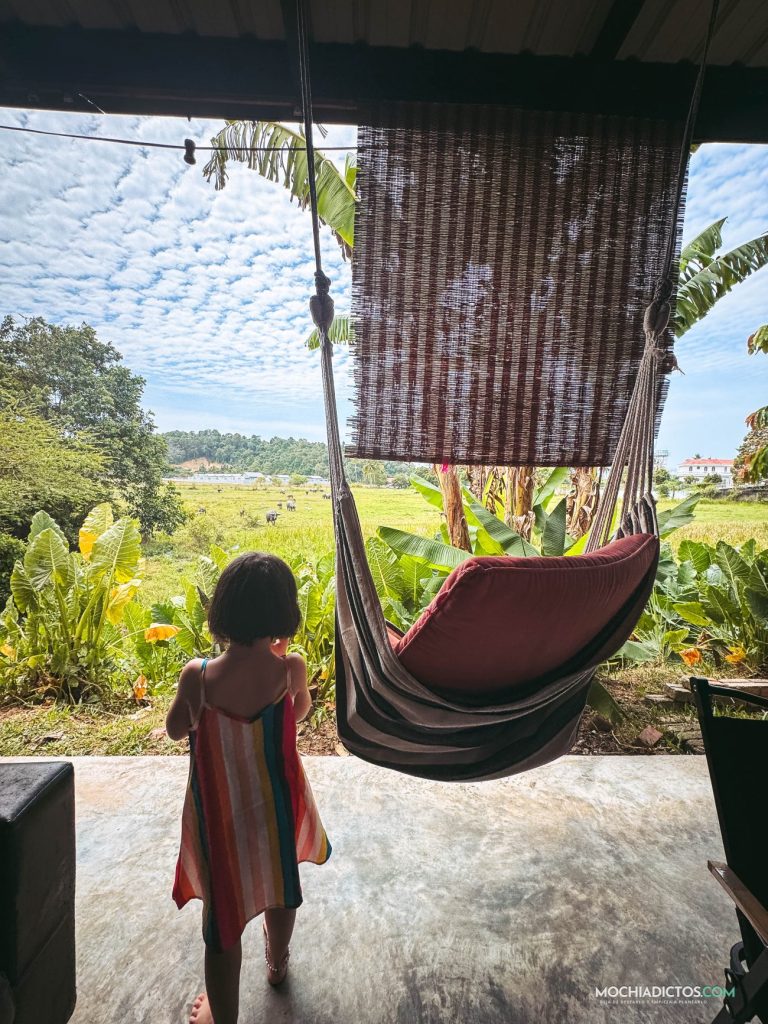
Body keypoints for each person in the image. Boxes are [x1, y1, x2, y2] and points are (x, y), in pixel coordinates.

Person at [166, 552, 332, 1024]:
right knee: (279, 887)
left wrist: (190, 705)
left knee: (222, 918)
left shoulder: (197, 676)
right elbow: (298, 714)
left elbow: (177, 729)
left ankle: (222, 1015)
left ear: (223, 611)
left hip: (220, 813)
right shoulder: (289, 669)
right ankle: (278, 965)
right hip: (275, 805)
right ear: (284, 613)